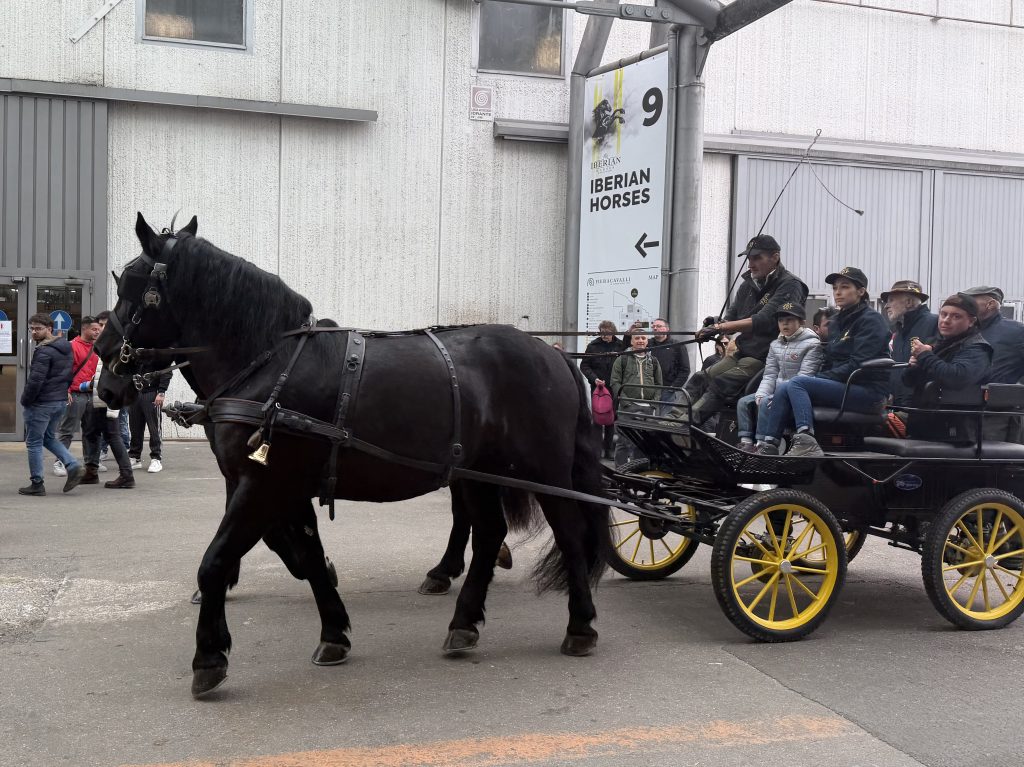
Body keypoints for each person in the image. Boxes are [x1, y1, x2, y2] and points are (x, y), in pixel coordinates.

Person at [757, 267, 891, 457]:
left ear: (861, 292)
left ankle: (806, 440)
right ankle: (769, 444)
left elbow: (858, 364)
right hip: (842, 386)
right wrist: (820, 377)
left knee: (797, 383)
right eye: (835, 288)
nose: (838, 292)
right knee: (784, 387)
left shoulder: (872, 321)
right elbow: (830, 358)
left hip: (867, 391)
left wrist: (819, 378)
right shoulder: (836, 322)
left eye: (845, 287)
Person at [678, 235, 808, 426]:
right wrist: (714, 325)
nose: (750, 264)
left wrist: (721, 327)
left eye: (757, 258)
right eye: (749, 259)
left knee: (722, 382)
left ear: (775, 257)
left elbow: (764, 320)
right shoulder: (747, 285)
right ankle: (670, 420)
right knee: (701, 377)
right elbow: (731, 318)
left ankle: (685, 425)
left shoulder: (790, 284)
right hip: (743, 352)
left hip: (767, 357)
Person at [903, 293, 993, 441]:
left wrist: (925, 356)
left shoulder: (976, 348)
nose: (946, 320)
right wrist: (914, 367)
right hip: (925, 426)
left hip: (954, 433)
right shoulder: (938, 344)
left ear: (971, 321)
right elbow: (908, 382)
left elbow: (956, 378)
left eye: (956, 316)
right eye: (943, 314)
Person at [736, 303, 823, 451]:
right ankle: (746, 443)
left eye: (790, 319)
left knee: (764, 403)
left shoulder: (812, 344)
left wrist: (777, 396)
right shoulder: (775, 345)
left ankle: (762, 445)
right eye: (781, 320)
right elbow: (770, 374)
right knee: (744, 402)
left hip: (794, 394)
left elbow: (805, 377)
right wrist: (762, 393)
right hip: (775, 391)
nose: (784, 323)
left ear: (802, 321)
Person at [19, 313, 85, 495]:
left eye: (38, 329)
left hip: (42, 403)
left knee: (33, 442)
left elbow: (35, 381)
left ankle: (37, 484)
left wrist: (25, 400)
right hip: (59, 402)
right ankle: (72, 465)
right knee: (48, 437)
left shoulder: (44, 350)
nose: (34, 332)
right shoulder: (65, 347)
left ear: (50, 329)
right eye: (31, 328)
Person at [960, 286, 1024, 441]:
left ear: (991, 304)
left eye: (970, 301)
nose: (964, 306)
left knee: (993, 461)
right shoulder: (965, 331)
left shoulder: (1016, 331)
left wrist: (1014, 392)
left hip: (998, 415)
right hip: (961, 410)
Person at [53, 315, 101, 477]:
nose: (97, 332)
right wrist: (64, 390)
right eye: (94, 329)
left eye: (99, 330)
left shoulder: (98, 347)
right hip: (75, 394)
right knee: (67, 430)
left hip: (92, 394)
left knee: (92, 431)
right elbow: (61, 370)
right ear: (85, 329)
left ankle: (92, 463)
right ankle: (60, 462)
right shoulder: (71, 346)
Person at [881, 280, 937, 408]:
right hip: (899, 404)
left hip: (921, 408)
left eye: (891, 300)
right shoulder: (899, 331)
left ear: (909, 302)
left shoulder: (935, 323)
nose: (886, 306)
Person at [609, 332, 662, 467]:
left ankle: (639, 472)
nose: (640, 341)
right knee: (623, 442)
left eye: (643, 338)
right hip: (628, 408)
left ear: (647, 341)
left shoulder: (654, 361)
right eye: (637, 338)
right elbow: (615, 382)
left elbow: (659, 384)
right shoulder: (622, 359)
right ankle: (620, 473)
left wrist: (653, 403)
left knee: (644, 443)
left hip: (648, 408)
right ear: (631, 341)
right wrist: (626, 403)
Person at [82, 357, 135, 489]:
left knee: (113, 435)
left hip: (108, 399)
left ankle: (127, 475)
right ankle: (91, 472)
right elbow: (103, 372)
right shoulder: (108, 349)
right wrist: (92, 384)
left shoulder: (117, 348)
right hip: (99, 398)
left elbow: (118, 378)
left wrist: (113, 406)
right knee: (90, 432)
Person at [581, 320, 626, 460]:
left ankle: (609, 449)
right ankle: (597, 449)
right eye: (602, 333)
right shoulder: (593, 346)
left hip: (614, 387)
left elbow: (625, 365)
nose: (605, 336)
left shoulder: (620, 346)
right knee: (598, 418)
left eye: (608, 333)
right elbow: (585, 365)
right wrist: (594, 379)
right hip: (598, 388)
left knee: (611, 419)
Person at [129, 367, 171, 473]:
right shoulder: (133, 352)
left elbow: (166, 370)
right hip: (134, 394)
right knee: (135, 428)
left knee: (154, 428)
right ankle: (135, 457)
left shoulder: (156, 351)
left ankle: (156, 458)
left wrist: (161, 392)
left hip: (152, 393)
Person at [648, 318, 690, 404]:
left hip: (667, 391)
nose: (655, 328)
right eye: (653, 326)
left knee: (665, 416)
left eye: (659, 326)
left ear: (667, 329)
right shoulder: (648, 344)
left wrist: (673, 387)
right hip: (649, 389)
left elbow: (685, 369)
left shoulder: (677, 345)